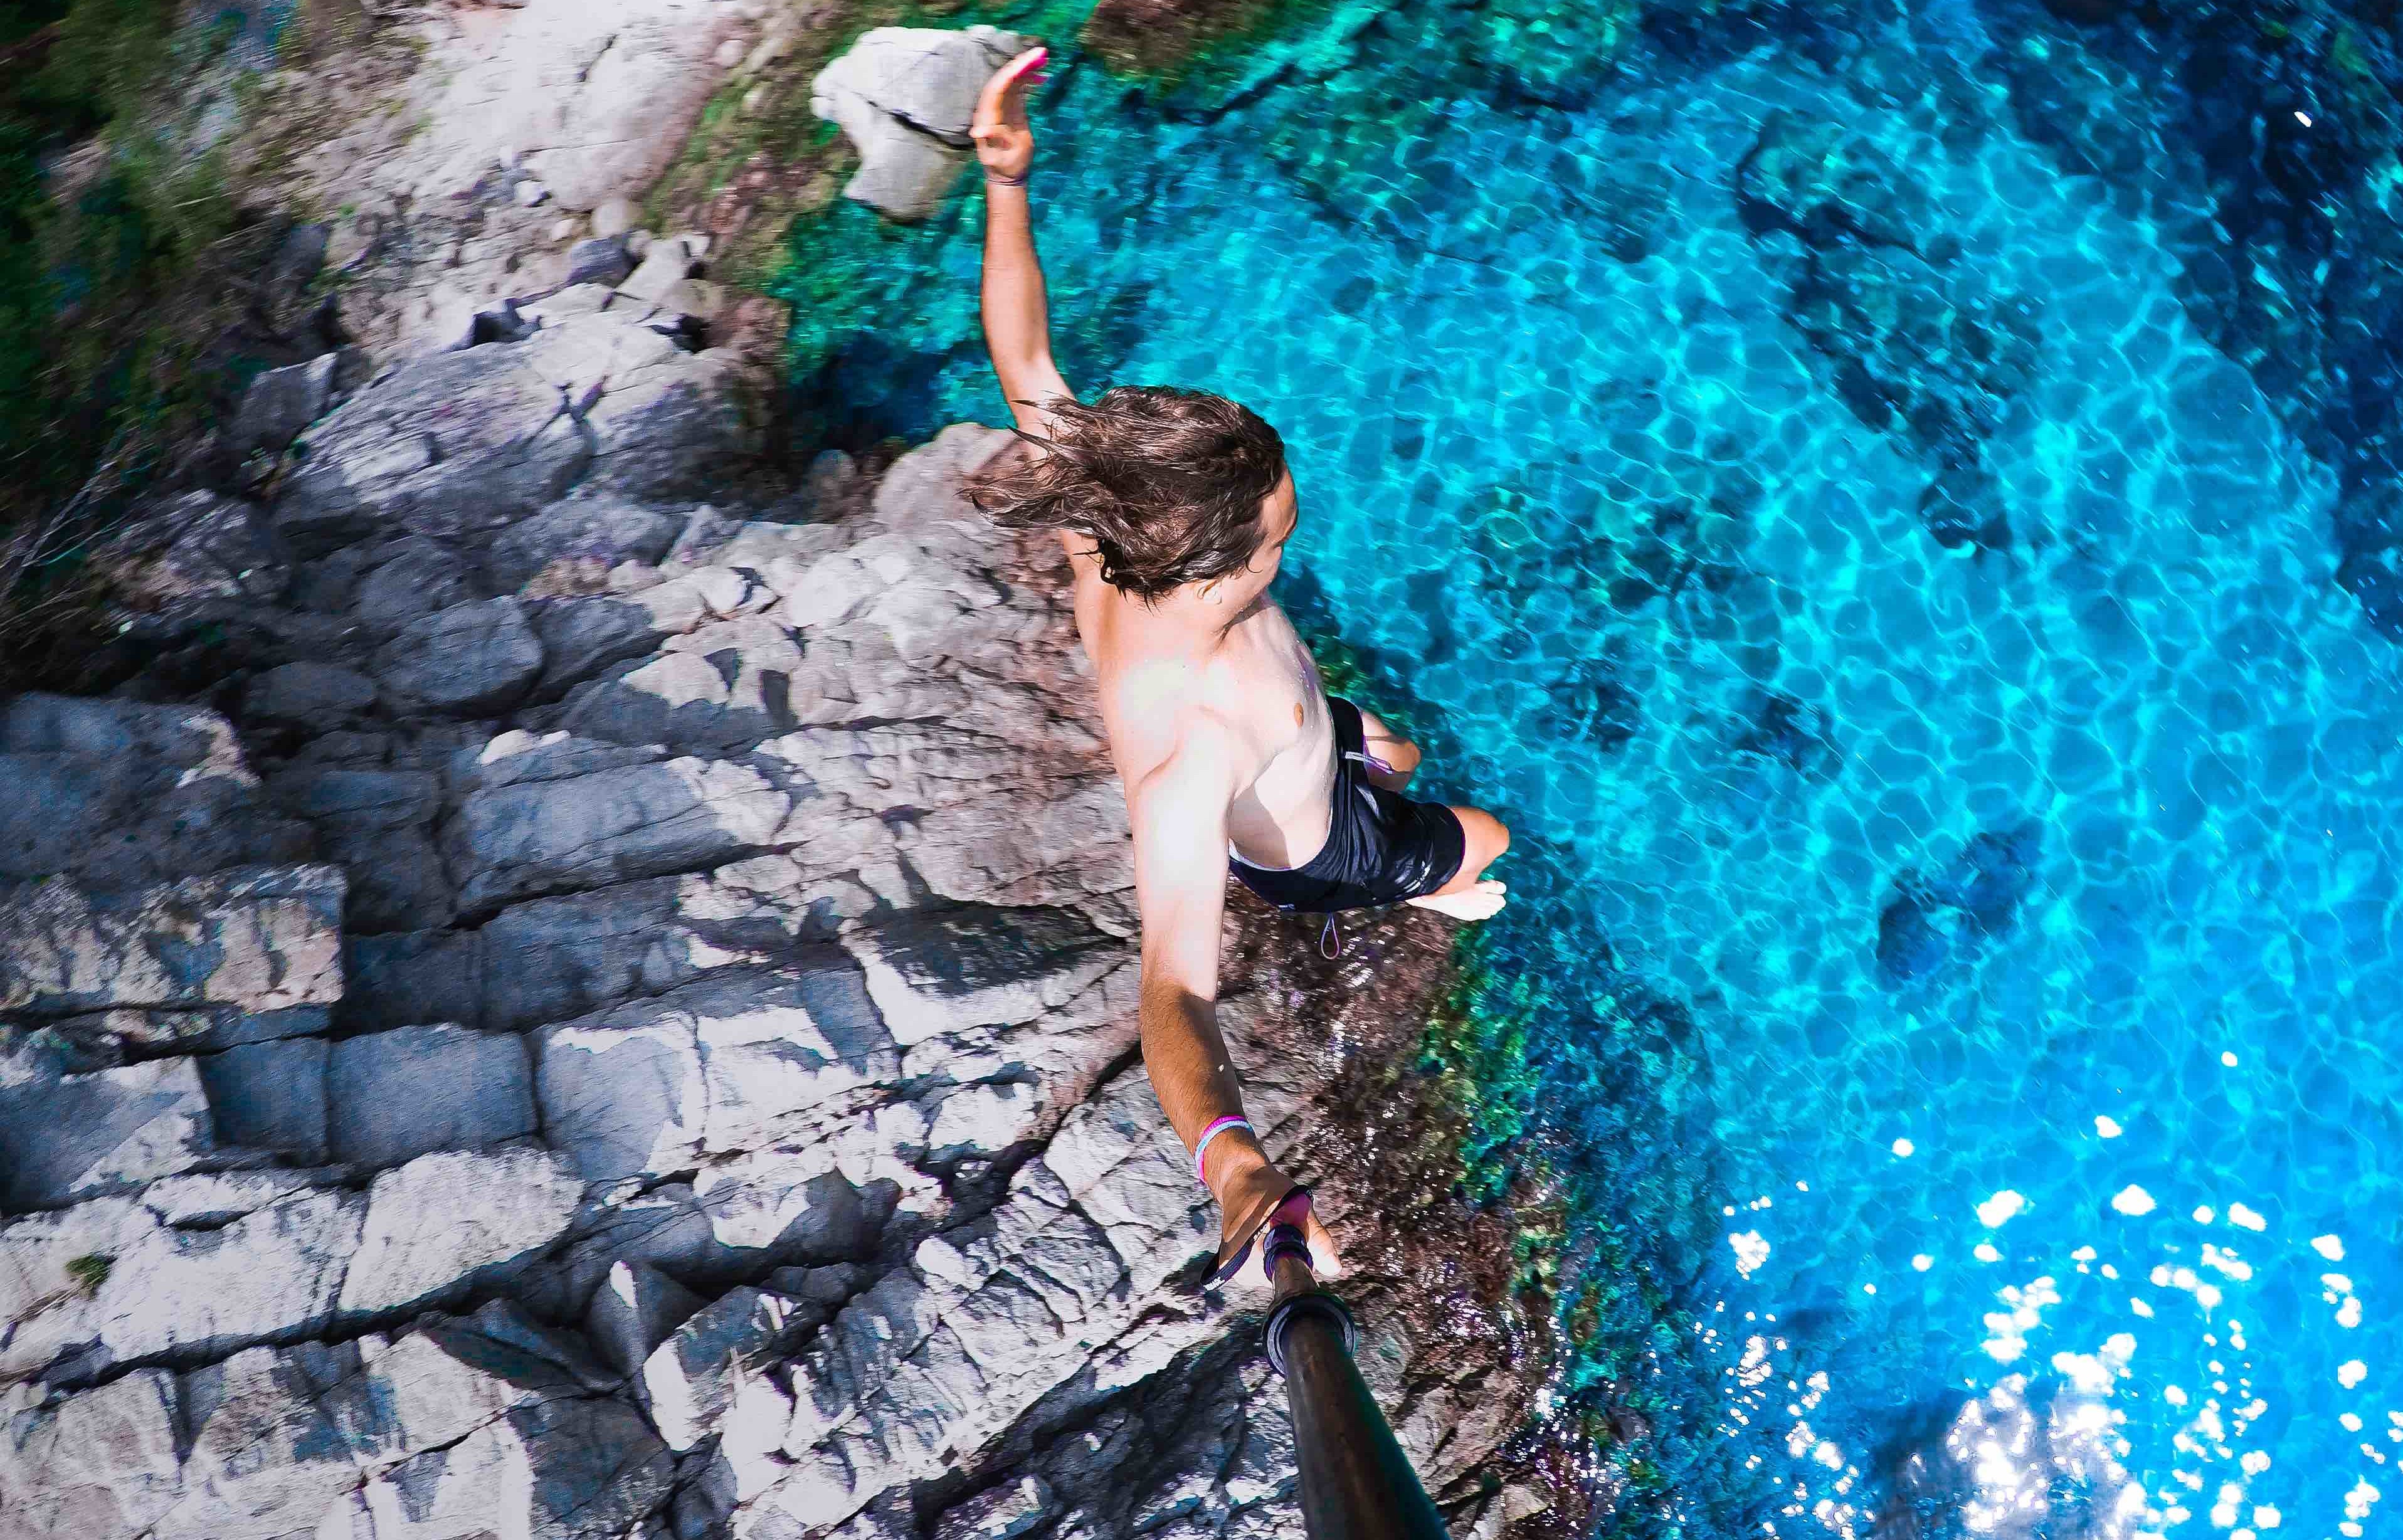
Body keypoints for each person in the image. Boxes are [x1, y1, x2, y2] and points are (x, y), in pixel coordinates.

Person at [963, 47, 1513, 1285]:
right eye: (1278, 536)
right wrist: (1235, 1163)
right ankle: (1413, 881)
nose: (1291, 532)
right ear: (1213, 572)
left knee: (1394, 745)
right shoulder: (1186, 746)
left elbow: (1022, 358)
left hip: (1300, 723)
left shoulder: (1110, 521)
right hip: (1307, 837)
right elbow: (1172, 993)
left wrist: (1003, 179)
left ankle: (1374, 772)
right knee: (1483, 842)